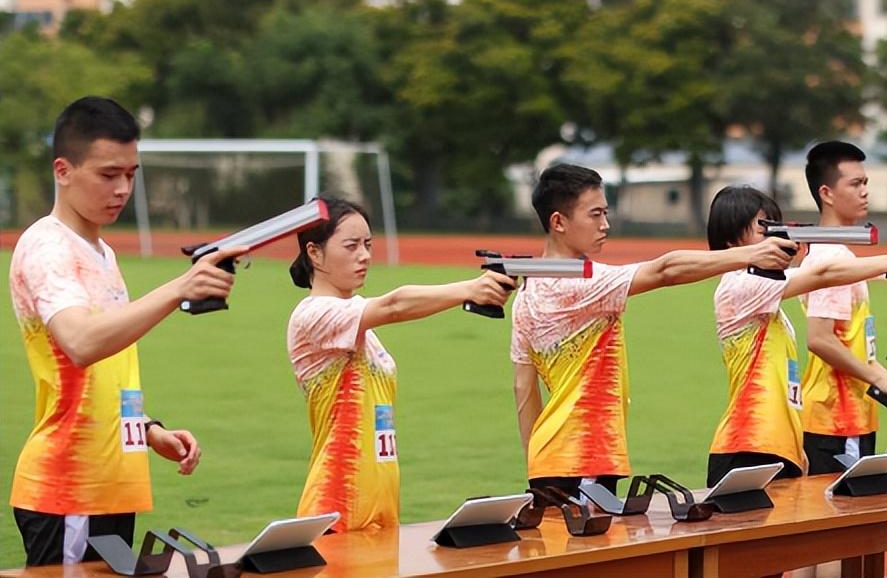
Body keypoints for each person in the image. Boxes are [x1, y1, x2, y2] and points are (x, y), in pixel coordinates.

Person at [8, 96, 244, 566]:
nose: (122, 188)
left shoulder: (101, 253)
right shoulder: (48, 248)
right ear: (63, 170)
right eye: (108, 174)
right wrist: (180, 288)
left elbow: (102, 374)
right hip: (71, 486)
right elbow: (81, 343)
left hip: (111, 481)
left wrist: (147, 429)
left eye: (131, 175)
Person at [510, 164, 795, 497]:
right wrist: (750, 252)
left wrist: (536, 466)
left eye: (606, 212)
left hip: (552, 460)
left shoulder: (526, 294)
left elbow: (523, 388)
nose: (606, 225)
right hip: (581, 458)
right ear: (558, 222)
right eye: (595, 214)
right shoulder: (582, 283)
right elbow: (667, 270)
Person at [286, 195, 514, 532]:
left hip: (381, 500)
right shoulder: (313, 315)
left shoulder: (360, 328)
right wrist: (470, 289)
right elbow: (395, 305)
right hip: (337, 504)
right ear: (314, 253)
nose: (364, 255)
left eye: (367, 244)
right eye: (351, 246)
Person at [705, 185, 887, 486]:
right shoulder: (740, 287)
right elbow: (821, 276)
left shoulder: (763, 298)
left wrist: (798, 448)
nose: (777, 239)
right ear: (733, 240)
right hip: (748, 444)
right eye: (764, 230)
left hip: (777, 445)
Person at [798, 141, 887, 478]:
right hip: (835, 421)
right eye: (856, 183)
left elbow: (849, 342)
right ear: (826, 193)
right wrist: (879, 377)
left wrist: (885, 383)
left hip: (850, 415)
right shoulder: (831, 257)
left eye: (865, 182)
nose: (865, 191)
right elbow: (819, 338)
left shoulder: (840, 255)